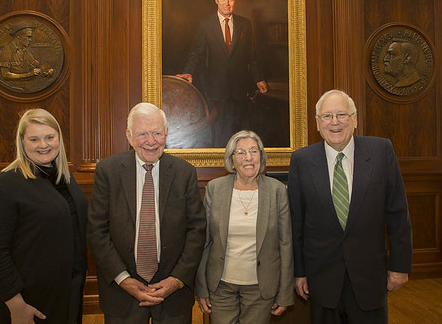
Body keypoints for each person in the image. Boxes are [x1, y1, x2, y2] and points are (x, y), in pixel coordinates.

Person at [288, 89, 413, 324]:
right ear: (317, 123)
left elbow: (398, 214)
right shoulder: (301, 160)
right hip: (321, 278)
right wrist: (299, 272)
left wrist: (400, 266)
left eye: (342, 114)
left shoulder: (381, 151)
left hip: (369, 278)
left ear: (354, 119)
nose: (334, 122)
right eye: (327, 116)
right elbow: (297, 223)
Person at [88, 102, 206, 323]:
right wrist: (123, 279)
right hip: (122, 292)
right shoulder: (108, 171)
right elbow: (97, 231)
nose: (151, 141)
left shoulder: (184, 173)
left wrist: (177, 279)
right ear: (129, 136)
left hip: (173, 293)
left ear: (166, 134)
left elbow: (196, 231)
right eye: (143, 134)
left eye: (157, 133)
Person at [0, 108, 88, 323]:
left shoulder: (64, 178)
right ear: (22, 142)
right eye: (34, 139)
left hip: (67, 294)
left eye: (49, 137)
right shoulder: (4, 185)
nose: (43, 145)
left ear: (59, 138)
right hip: (28, 301)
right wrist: (16, 305)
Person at [195, 130, 293, 323]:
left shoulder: (277, 190)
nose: (248, 157)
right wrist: (201, 287)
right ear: (231, 160)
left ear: (261, 156)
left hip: (261, 287)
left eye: (254, 151)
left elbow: (286, 245)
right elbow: (203, 241)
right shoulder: (215, 188)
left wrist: (285, 292)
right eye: (240, 152)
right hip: (220, 286)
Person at [176, 0, 268, 147]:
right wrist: (188, 72)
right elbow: (196, 53)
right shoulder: (205, 24)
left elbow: (252, 56)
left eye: (230, 0)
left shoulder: (245, 24)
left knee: (239, 134)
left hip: (240, 90)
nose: (227, 3)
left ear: (235, 1)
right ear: (216, 0)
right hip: (215, 90)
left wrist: (259, 79)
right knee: (218, 134)